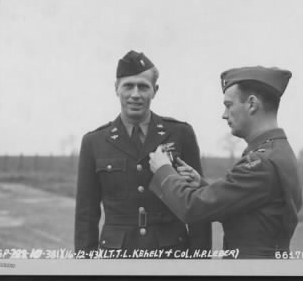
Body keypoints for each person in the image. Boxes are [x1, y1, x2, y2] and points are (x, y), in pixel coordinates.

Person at [149, 66, 302, 259]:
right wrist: (202, 185)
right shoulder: (276, 151)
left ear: (252, 104)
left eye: (229, 105)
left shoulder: (261, 163)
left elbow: (192, 209)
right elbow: (245, 208)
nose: (224, 114)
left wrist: (164, 170)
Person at [74, 50, 211, 258]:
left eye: (143, 87)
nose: (135, 94)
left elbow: (197, 203)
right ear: (116, 89)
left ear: (155, 90)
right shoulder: (94, 142)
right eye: (128, 86)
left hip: (171, 255)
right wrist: (85, 268)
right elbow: (86, 215)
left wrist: (200, 264)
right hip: (116, 257)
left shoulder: (181, 134)